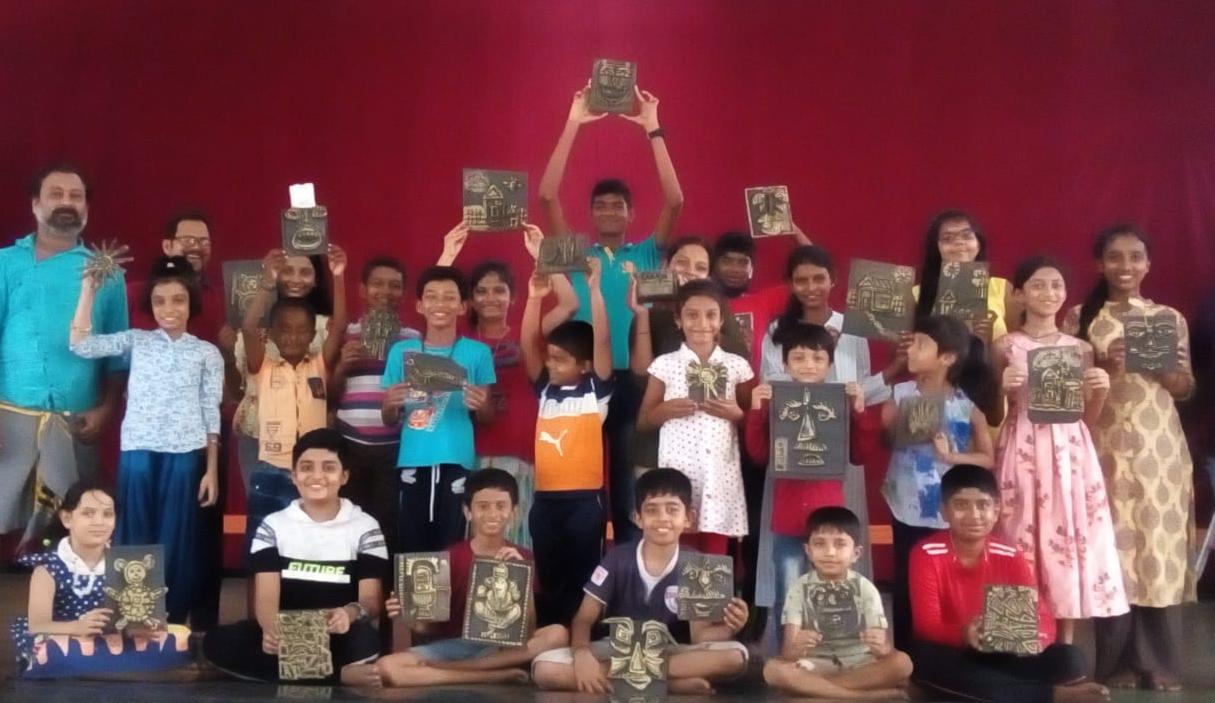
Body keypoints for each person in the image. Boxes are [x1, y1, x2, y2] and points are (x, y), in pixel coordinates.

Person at [538, 80, 684, 544]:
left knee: (624, 481)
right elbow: (547, 197)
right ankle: (581, 562)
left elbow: (675, 201)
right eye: (599, 206)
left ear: (630, 214)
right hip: (582, 377)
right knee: (579, 480)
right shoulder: (575, 253)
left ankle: (624, 562)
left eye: (617, 206)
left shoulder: (646, 253)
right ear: (591, 213)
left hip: (630, 378)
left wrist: (653, 128)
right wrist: (573, 123)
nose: (607, 212)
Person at [1064, 225, 1195, 692]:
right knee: (1113, 551)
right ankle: (1115, 662)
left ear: (1148, 264)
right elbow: (1064, 389)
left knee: (1157, 547)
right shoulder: (1079, 317)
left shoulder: (1167, 317)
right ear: (1099, 264)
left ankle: (1158, 663)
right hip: (1102, 445)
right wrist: (1104, 367)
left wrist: (1166, 370)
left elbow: (1185, 388)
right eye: (1115, 257)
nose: (1125, 266)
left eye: (1135, 257)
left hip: (1160, 449)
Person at [69, 256, 223, 624]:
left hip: (185, 454)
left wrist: (212, 469)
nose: (169, 309)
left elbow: (211, 411)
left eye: (178, 300)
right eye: (159, 301)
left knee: (177, 537)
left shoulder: (207, 352)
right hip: (138, 450)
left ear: (190, 303)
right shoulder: (137, 341)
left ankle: (172, 620)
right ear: (150, 305)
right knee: (135, 532)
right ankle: (133, 620)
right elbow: (81, 345)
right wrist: (88, 289)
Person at [994, 256, 1128, 644]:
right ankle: (1018, 642)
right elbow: (989, 411)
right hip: (1022, 443)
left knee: (1067, 536)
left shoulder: (1080, 349)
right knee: (1018, 533)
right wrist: (1001, 387)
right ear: (1019, 294)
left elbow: (1087, 418)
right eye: (1037, 285)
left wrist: (1099, 392)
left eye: (1056, 285)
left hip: (1070, 450)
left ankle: (1064, 647)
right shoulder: (1004, 346)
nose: (1048, 293)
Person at [0, 164, 129, 549]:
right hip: (10, 415)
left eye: (75, 196)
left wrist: (107, 409)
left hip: (79, 419)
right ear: (35, 204)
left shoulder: (105, 272)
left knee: (72, 526)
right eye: (56, 194)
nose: (66, 203)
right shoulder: (5, 263)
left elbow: (117, 353)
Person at [531, 468, 750, 693]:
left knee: (735, 656)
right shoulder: (617, 558)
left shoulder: (699, 565)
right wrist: (582, 653)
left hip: (670, 650)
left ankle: (626, 679)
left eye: (672, 509)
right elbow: (583, 619)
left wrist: (730, 627)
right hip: (616, 649)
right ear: (638, 518)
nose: (662, 518)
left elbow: (700, 636)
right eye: (652, 510)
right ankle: (671, 685)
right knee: (544, 668)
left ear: (688, 518)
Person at [908, 465, 1110, 703]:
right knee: (923, 659)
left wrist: (1036, 637)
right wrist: (964, 633)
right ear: (944, 511)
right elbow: (926, 626)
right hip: (953, 651)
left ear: (996, 510)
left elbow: (1042, 618)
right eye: (961, 505)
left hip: (1001, 654)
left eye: (982, 505)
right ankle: (1051, 695)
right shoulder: (926, 554)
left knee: (1070, 660)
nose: (974, 515)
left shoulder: (1010, 555)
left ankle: (989, 691)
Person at [203, 429, 386, 686]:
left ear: (344, 476)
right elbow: (266, 598)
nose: (317, 476)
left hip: (336, 637)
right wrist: (271, 631)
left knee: (366, 642)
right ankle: (337, 676)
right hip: (287, 633)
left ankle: (289, 674)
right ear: (293, 475)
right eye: (306, 467)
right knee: (218, 642)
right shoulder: (273, 525)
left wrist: (350, 613)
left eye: (329, 468)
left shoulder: (365, 527)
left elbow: (371, 601)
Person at [436, 221, 579, 547]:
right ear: (469, 300)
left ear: (513, 297)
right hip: (471, 453)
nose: (491, 298)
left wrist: (543, 254)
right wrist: (447, 255)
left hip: (521, 450)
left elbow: (570, 304)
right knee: (477, 541)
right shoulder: (459, 341)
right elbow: (436, 304)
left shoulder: (527, 335)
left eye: (499, 290)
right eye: (481, 291)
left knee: (517, 542)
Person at [376, 468, 568, 686]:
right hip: (453, 647)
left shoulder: (523, 557)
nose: (492, 514)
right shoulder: (450, 557)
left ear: (514, 512)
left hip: (503, 649)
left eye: (501, 506)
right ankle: (491, 676)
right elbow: (427, 629)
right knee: (386, 667)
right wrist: (407, 614)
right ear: (468, 511)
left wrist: (521, 576)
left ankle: (457, 671)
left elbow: (528, 630)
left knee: (558, 634)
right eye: (483, 506)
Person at [745, 323, 871, 650]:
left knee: (830, 595)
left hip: (830, 523)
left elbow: (859, 455)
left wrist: (858, 411)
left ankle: (829, 657)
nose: (808, 365)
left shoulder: (840, 402)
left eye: (817, 358)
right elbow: (759, 454)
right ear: (785, 364)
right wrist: (757, 410)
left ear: (830, 364)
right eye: (798, 358)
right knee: (788, 596)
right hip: (788, 521)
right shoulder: (776, 401)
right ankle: (785, 658)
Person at [881, 314, 995, 649]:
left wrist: (952, 457)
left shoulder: (965, 406)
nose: (911, 350)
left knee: (944, 580)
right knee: (906, 581)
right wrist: (888, 426)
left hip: (947, 511)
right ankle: (906, 655)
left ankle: (947, 649)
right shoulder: (901, 393)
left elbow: (987, 458)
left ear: (946, 358)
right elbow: (888, 443)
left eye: (921, 345)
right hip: (905, 504)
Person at [9, 480, 191, 678]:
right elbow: (38, 625)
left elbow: (128, 620)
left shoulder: (127, 565)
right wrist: (77, 628)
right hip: (66, 637)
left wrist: (139, 629)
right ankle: (117, 665)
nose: (99, 522)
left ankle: (105, 663)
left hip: (111, 638)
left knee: (179, 638)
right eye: (88, 513)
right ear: (67, 518)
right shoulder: (48, 568)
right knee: (52, 651)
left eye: (107, 514)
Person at [521, 258, 613, 625]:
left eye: (560, 360)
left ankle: (582, 638)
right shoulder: (546, 391)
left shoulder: (596, 392)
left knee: (584, 578)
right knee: (550, 577)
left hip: (585, 503)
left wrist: (595, 290)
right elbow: (528, 343)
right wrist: (534, 298)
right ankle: (552, 636)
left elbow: (602, 340)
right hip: (545, 502)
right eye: (550, 359)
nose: (551, 365)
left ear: (585, 365)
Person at [380, 266, 496, 552]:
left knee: (452, 543)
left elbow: (487, 416)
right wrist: (390, 404)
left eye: (449, 297)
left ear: (462, 306)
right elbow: (389, 419)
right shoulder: (401, 352)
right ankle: (411, 586)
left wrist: (481, 405)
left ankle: (453, 586)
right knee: (411, 544)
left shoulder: (478, 353)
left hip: (457, 458)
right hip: (413, 459)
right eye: (431, 296)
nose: (440, 304)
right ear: (420, 305)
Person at [240, 244, 347, 551]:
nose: (293, 336)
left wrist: (338, 276)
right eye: (285, 330)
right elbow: (248, 327)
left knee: (308, 544)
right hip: (270, 468)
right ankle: (259, 586)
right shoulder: (264, 367)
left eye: (302, 331)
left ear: (313, 335)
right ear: (272, 335)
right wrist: (267, 281)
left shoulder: (318, 365)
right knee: (262, 544)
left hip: (313, 471)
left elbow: (339, 325)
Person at [638, 280, 754, 555]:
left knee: (714, 555)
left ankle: (714, 587)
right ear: (678, 319)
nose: (702, 323)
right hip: (679, 475)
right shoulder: (665, 365)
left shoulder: (736, 366)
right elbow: (644, 420)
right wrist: (665, 410)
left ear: (721, 319)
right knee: (680, 549)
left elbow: (752, 420)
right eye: (692, 315)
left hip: (719, 476)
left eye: (711, 315)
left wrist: (738, 415)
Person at [763, 506, 912, 699]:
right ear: (808, 550)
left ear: (856, 553)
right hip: (815, 665)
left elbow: (885, 650)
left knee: (902, 663)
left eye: (840, 544)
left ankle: (816, 692)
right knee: (773, 670)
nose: (830, 552)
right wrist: (798, 646)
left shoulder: (866, 589)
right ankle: (862, 697)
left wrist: (882, 648)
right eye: (819, 544)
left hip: (860, 664)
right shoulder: (798, 589)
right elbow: (788, 653)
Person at [331, 255, 419, 548]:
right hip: (350, 444)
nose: (385, 292)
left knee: (387, 525)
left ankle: (384, 578)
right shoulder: (346, 334)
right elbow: (328, 395)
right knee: (347, 522)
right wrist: (342, 366)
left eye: (395, 285)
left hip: (394, 448)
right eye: (377, 284)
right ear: (363, 290)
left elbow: (420, 400)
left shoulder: (413, 340)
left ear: (404, 293)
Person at [232, 247, 339, 489]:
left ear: (317, 279)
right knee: (264, 505)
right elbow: (238, 384)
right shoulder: (254, 325)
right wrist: (266, 283)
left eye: (305, 272)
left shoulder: (326, 327)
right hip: (257, 435)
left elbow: (332, 388)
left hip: (310, 439)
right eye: (287, 270)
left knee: (309, 506)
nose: (296, 279)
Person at [760, 245, 896, 403]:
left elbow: (860, 388)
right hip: (793, 415)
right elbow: (769, 385)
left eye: (819, 279)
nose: (811, 288)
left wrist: (896, 367)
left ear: (833, 280)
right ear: (791, 285)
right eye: (801, 281)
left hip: (842, 417)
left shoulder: (851, 328)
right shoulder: (777, 329)